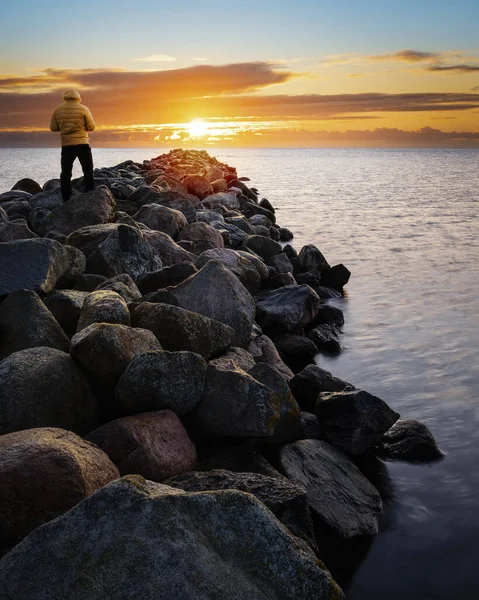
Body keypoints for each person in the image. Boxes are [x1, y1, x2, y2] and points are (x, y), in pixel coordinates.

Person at [49, 89, 96, 202]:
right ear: (78, 97)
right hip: (82, 143)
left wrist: (64, 128)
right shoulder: (83, 108)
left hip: (67, 145)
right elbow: (91, 127)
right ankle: (90, 191)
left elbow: (53, 128)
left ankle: (66, 196)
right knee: (87, 169)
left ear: (65, 97)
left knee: (66, 172)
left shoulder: (58, 109)